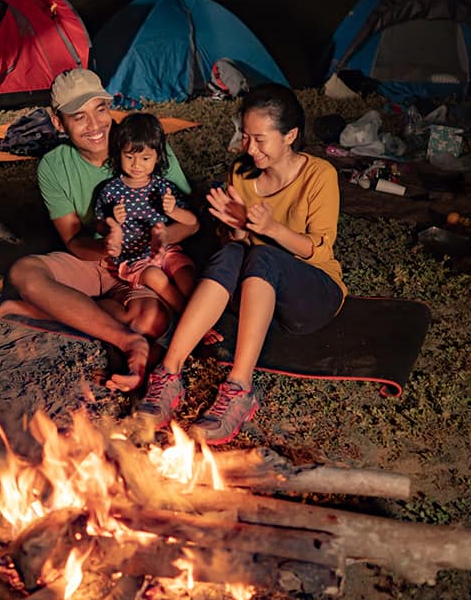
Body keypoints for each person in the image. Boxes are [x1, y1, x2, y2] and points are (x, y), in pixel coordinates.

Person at [135, 83, 348, 445]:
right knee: (234, 252)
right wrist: (235, 229)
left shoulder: (319, 175)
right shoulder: (242, 172)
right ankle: (169, 374)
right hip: (256, 289)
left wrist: (269, 228)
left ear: (290, 136)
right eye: (246, 137)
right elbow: (237, 245)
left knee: (265, 253)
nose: (250, 148)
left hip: (312, 295)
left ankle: (239, 387)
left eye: (260, 139)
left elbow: (319, 251)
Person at [0, 69, 198, 389]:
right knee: (24, 272)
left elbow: (188, 219)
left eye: (100, 110)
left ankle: (48, 310)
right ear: (58, 122)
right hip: (95, 258)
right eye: (79, 117)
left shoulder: (143, 144)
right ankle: (130, 343)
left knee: (149, 320)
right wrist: (105, 249)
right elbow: (73, 239)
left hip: (142, 262)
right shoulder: (53, 165)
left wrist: (160, 240)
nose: (95, 125)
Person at [95, 113, 199, 314]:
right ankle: (185, 314)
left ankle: (200, 315)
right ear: (119, 154)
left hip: (166, 251)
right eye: (129, 156)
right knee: (155, 277)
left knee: (185, 274)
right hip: (134, 258)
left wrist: (173, 210)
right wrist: (112, 221)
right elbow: (99, 224)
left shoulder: (163, 187)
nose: (136, 165)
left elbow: (192, 221)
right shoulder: (111, 190)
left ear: (157, 157)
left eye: (145, 158)